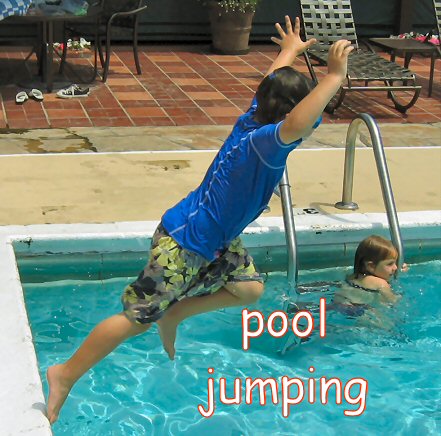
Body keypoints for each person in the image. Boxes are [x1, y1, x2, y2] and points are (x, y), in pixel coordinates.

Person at [46, 15, 354, 424]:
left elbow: (274, 91)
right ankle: (64, 375)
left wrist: (289, 53)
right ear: (292, 118)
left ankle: (177, 312)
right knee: (135, 320)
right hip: (185, 243)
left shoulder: (253, 120)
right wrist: (332, 77)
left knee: (249, 288)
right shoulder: (267, 143)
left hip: (211, 236)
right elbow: (297, 121)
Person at [332, 235, 408, 323]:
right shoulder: (381, 283)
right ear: (370, 266)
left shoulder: (351, 276)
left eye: (395, 263)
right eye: (390, 264)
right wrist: (400, 296)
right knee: (390, 328)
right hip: (361, 310)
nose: (395, 267)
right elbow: (393, 301)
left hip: (339, 304)